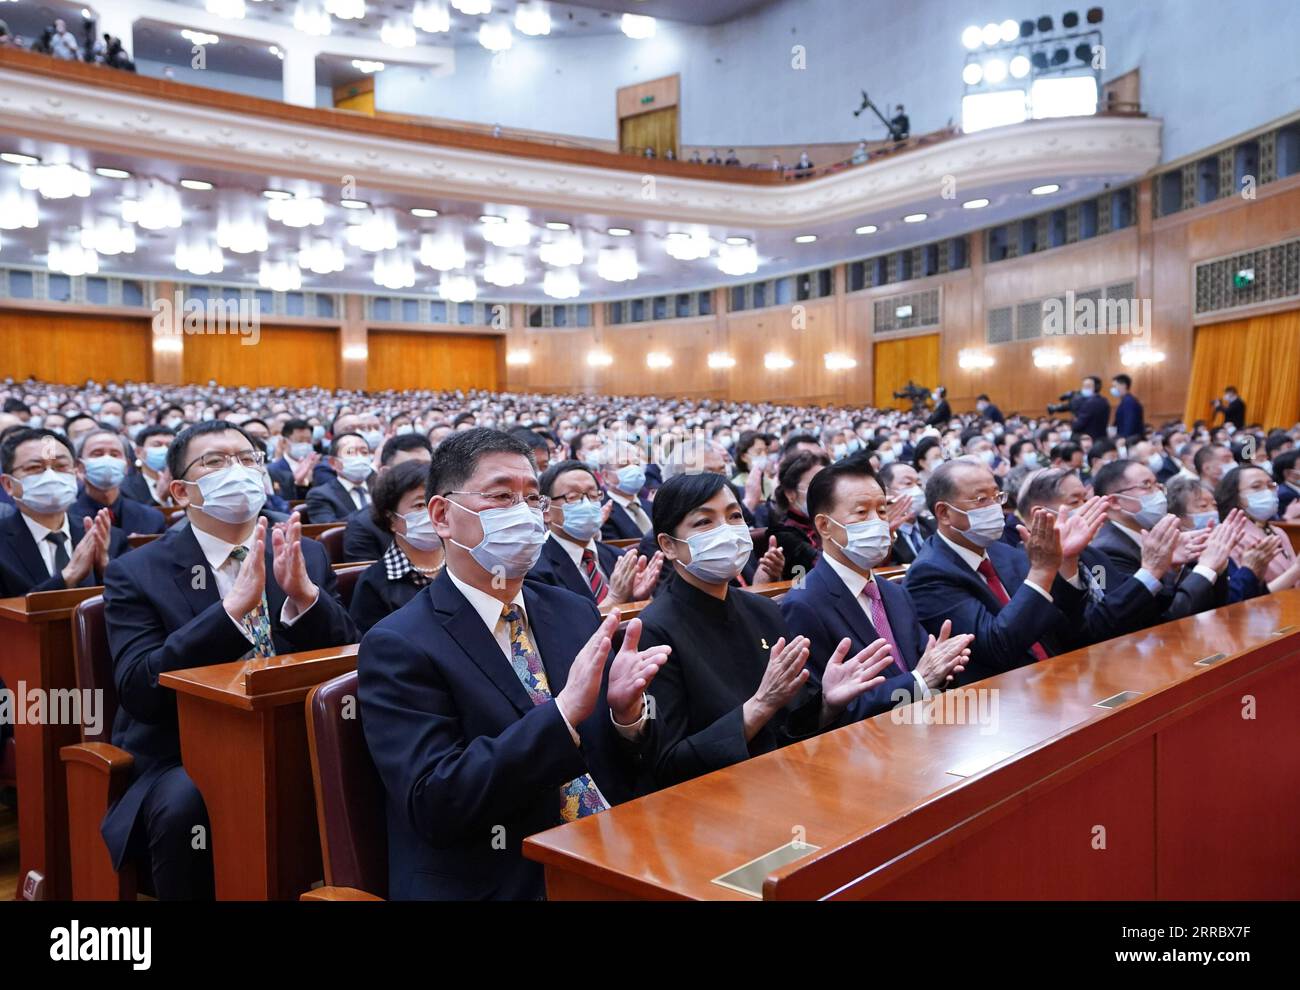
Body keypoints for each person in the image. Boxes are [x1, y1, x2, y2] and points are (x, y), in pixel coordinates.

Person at [357, 429, 671, 900]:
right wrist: (562, 716)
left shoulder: (572, 609)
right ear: (442, 515)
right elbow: (436, 802)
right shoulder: (398, 643)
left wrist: (625, 718)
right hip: (498, 875)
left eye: (532, 500)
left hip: (609, 851)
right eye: (502, 496)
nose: (522, 515)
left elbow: (618, 762)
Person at [102, 421, 356, 899]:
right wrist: (229, 613)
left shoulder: (304, 553)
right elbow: (139, 688)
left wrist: (305, 597)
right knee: (186, 807)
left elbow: (349, 658)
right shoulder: (136, 573)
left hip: (295, 735)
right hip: (183, 752)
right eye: (215, 462)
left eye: (247, 458)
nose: (236, 470)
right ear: (181, 491)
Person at [636, 472, 895, 790]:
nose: (727, 532)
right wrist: (759, 705)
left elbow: (789, 728)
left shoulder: (763, 610)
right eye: (704, 522)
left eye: (734, 516)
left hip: (790, 784)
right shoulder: (654, 632)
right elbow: (669, 764)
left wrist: (827, 704)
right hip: (716, 806)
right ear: (669, 545)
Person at [779, 460, 971, 717]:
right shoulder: (804, 604)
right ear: (824, 526)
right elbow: (821, 712)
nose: (877, 522)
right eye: (861, 512)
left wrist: (944, 667)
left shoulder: (894, 593)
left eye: (881, 511)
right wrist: (921, 680)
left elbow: (927, 667)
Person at [904, 459, 1100, 684]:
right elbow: (997, 649)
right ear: (944, 513)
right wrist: (1042, 570)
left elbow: (1067, 628)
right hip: (1000, 697)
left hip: (1056, 674)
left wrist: (1066, 563)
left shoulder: (1005, 553)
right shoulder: (929, 574)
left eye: (997, 496)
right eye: (981, 499)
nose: (995, 507)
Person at [1089, 458, 1241, 620]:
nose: (1158, 493)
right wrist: (1206, 567)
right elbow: (1158, 619)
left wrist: (1216, 565)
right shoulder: (1107, 551)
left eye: (1157, 485)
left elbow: (1212, 605)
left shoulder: (1162, 536)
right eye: (1147, 485)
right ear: (1114, 501)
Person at [0, 428, 124, 596]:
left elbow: (136, 604)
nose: (51, 476)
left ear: (76, 472)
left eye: (61, 466)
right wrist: (66, 578)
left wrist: (105, 570)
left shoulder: (108, 537)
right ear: (8, 484)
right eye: (35, 467)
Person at [528, 459, 663, 605]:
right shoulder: (535, 568)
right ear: (545, 510)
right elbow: (563, 625)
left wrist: (637, 599)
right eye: (572, 497)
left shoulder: (619, 557)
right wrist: (614, 599)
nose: (586, 504)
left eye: (593, 496)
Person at [349, 460, 445, 634]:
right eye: (420, 505)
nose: (432, 513)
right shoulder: (373, 583)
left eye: (437, 503)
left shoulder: (466, 564)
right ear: (391, 519)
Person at [343, 433, 432, 563]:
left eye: (428, 468)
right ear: (385, 473)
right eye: (409, 470)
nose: (422, 476)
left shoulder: (449, 513)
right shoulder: (362, 526)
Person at [1215, 463, 1298, 586]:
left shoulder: (1277, 531)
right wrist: (1297, 570)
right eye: (1256, 486)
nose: (1268, 491)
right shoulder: (1230, 536)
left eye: (1270, 485)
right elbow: (1245, 593)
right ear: (1236, 496)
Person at [71, 430, 167, 535]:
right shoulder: (66, 519)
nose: (107, 459)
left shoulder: (152, 518)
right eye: (97, 454)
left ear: (126, 466)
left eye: (114, 454)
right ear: (80, 467)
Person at [305, 432, 373, 523]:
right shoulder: (320, 495)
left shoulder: (382, 488)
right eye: (350, 452)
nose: (360, 458)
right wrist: (372, 512)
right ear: (333, 463)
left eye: (364, 452)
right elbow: (328, 529)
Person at [597, 441, 652, 540]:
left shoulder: (651, 506)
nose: (633, 469)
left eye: (636, 464)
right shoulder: (601, 513)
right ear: (606, 476)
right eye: (623, 465)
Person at [879, 460, 932, 564]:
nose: (917, 489)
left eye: (919, 484)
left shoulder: (933, 525)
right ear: (886, 491)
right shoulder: (881, 533)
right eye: (908, 483)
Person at [266, 418, 326, 500]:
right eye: (299, 441)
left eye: (308, 441)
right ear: (284, 442)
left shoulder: (320, 466)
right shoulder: (272, 470)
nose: (304, 444)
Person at [122, 425, 176, 507]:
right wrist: (159, 499)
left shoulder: (184, 482)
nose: (165, 450)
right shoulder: (126, 487)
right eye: (157, 445)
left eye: (169, 446)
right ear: (138, 452)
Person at [1071, 376, 1111, 441]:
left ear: (1097, 387)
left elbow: (1077, 425)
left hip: (1089, 439)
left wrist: (1074, 420)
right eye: (1084, 386)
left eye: (1088, 386)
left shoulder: (1089, 403)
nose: (1084, 388)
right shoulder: (1104, 400)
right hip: (1101, 438)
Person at [1110, 374, 1144, 439]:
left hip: (1129, 439)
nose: (1113, 389)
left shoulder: (1129, 402)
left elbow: (1129, 423)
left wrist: (1124, 438)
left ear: (1123, 385)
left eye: (1115, 386)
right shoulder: (1125, 401)